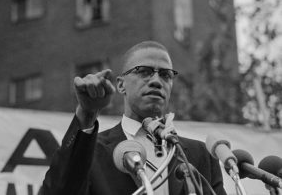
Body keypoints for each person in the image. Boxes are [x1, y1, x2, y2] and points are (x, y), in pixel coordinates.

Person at [42, 41, 227, 195]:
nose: (156, 81)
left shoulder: (200, 155)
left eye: (165, 75)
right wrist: (87, 113)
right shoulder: (92, 150)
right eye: (144, 71)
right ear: (121, 85)